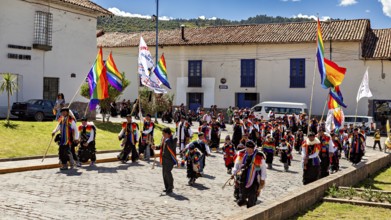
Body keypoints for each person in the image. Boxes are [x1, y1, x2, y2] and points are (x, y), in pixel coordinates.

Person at [232, 140, 266, 208]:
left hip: (254, 179)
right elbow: (237, 164)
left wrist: (262, 179)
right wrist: (234, 173)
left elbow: (263, 169)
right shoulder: (241, 154)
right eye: (247, 149)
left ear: (253, 148)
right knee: (242, 193)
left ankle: (251, 206)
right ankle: (243, 200)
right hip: (243, 178)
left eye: (250, 149)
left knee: (252, 196)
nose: (249, 150)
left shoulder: (259, 156)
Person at [158, 127, 177, 194]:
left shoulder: (173, 139)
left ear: (167, 133)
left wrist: (167, 140)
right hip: (164, 159)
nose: (163, 135)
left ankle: (170, 187)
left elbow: (171, 147)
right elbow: (162, 146)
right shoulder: (165, 139)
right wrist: (156, 147)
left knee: (168, 173)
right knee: (164, 174)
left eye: (163, 134)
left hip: (169, 160)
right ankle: (167, 187)